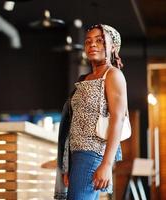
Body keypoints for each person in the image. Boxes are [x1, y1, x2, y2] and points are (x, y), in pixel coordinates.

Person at [54, 24, 127, 200]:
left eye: (99, 41)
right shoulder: (84, 79)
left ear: (112, 48)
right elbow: (74, 122)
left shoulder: (112, 75)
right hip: (76, 155)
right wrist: (68, 165)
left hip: (93, 153)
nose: (92, 45)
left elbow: (118, 120)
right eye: (88, 42)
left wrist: (107, 164)